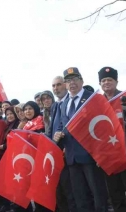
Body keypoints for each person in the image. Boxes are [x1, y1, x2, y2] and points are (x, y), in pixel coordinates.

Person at [53, 67, 108, 212]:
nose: (72, 83)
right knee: (80, 198)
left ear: (82, 81)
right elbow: (61, 124)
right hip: (72, 157)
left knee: (98, 196)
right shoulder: (64, 103)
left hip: (90, 155)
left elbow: (102, 126)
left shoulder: (92, 98)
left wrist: (101, 153)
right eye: (68, 80)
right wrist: (57, 133)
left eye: (75, 79)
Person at [97, 67, 126, 212]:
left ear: (116, 81)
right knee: (116, 197)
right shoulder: (97, 103)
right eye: (103, 80)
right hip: (108, 158)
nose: (106, 83)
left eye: (109, 80)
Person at [48, 76, 75, 212]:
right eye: (53, 85)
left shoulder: (71, 102)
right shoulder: (54, 105)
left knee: (70, 191)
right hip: (54, 153)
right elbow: (52, 128)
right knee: (59, 192)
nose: (55, 88)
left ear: (65, 85)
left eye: (58, 85)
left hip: (67, 153)